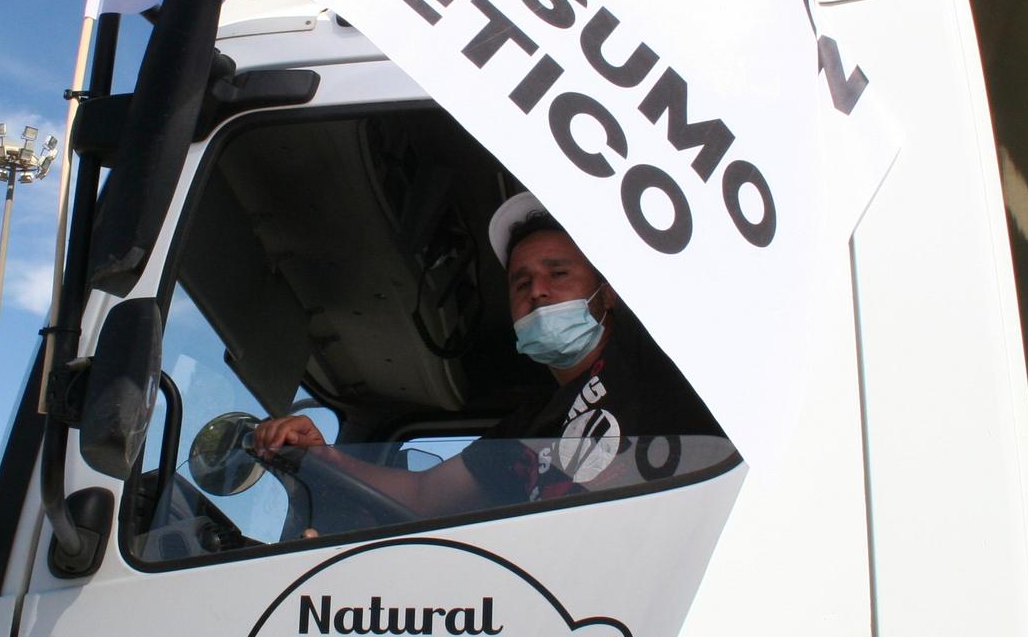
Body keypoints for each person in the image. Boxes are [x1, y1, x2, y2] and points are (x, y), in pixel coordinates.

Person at [252, 192, 725, 520]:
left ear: (609, 292)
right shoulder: (524, 429)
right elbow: (422, 494)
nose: (537, 290)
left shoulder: (661, 360)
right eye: (521, 283)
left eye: (558, 273)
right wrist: (324, 456)